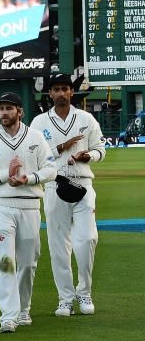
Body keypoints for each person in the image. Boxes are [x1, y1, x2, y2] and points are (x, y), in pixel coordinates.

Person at [0, 93, 56, 333]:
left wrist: (28, 179)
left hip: (29, 205)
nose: (4, 113)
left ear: (19, 111)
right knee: (5, 261)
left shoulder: (36, 137)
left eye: (9, 108)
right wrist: (4, 176)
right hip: (0, 206)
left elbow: (51, 168)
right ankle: (8, 315)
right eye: (1, 109)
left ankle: (23, 309)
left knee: (28, 263)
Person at [30, 73, 107, 317]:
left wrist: (89, 156)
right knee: (58, 246)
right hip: (54, 185)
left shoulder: (86, 118)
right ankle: (65, 299)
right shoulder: (40, 123)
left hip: (83, 184)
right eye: (56, 89)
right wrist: (62, 147)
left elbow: (100, 149)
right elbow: (33, 156)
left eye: (65, 89)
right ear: (50, 93)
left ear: (71, 92)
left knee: (87, 239)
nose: (61, 93)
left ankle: (84, 292)